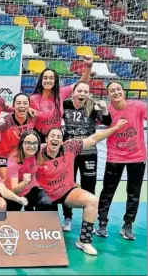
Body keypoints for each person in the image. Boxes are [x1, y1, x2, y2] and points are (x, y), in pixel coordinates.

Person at [38, 121, 128, 256]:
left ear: (62, 141)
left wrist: (115, 128)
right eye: (52, 136)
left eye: (58, 137)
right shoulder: (37, 150)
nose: (55, 139)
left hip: (66, 191)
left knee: (92, 200)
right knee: (47, 229)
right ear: (46, 139)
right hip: (44, 195)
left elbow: (94, 138)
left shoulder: (70, 147)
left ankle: (84, 241)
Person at [97, 82, 147, 241]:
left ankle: (128, 225)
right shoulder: (107, 112)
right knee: (107, 191)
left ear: (123, 91)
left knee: (134, 193)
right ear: (108, 94)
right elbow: (95, 121)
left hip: (137, 157)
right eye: (112, 91)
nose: (116, 92)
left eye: (118, 89)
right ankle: (102, 223)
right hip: (115, 157)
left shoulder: (138, 106)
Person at [61, 81, 112, 231]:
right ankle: (67, 218)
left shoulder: (92, 106)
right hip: (69, 152)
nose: (82, 94)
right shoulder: (65, 105)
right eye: (80, 91)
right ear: (73, 92)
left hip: (89, 152)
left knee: (89, 185)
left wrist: (105, 109)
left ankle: (87, 220)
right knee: (68, 184)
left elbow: (108, 122)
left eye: (85, 91)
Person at [29, 56, 92, 142]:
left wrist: (88, 66)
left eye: (51, 78)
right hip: (38, 137)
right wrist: (27, 108)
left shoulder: (61, 93)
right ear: (41, 80)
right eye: (45, 78)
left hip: (56, 138)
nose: (48, 80)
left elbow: (81, 83)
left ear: (55, 81)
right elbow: (18, 109)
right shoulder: (32, 99)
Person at [0, 93, 35, 179]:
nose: (22, 106)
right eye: (18, 103)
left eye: (25, 103)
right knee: (7, 181)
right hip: (3, 157)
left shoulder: (32, 118)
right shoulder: (6, 121)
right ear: (13, 106)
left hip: (22, 157)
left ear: (29, 105)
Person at [6, 130, 52, 211]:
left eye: (35, 143)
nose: (31, 146)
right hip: (15, 193)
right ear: (22, 144)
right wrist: (24, 183)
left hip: (31, 189)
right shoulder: (14, 161)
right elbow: (14, 190)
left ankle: (37, 221)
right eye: (28, 143)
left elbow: (52, 144)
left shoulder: (38, 150)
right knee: (12, 217)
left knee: (45, 203)